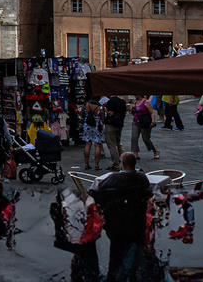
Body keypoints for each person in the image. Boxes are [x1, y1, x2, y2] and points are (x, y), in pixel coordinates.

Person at [92, 152, 153, 282]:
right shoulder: (142, 178)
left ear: (123, 164)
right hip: (137, 223)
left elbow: (99, 190)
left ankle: (113, 275)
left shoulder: (114, 178)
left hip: (117, 224)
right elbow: (149, 191)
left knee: (116, 252)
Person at [102, 95, 127, 170]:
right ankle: (125, 162)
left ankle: (116, 164)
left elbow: (110, 113)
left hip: (111, 124)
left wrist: (105, 110)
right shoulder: (122, 102)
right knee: (118, 144)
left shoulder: (111, 102)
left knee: (112, 145)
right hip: (119, 125)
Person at [80, 99, 105, 170]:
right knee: (97, 145)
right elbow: (103, 120)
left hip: (87, 126)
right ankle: (97, 165)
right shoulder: (100, 108)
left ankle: (86, 164)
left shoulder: (85, 105)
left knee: (87, 145)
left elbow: (82, 115)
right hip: (97, 127)